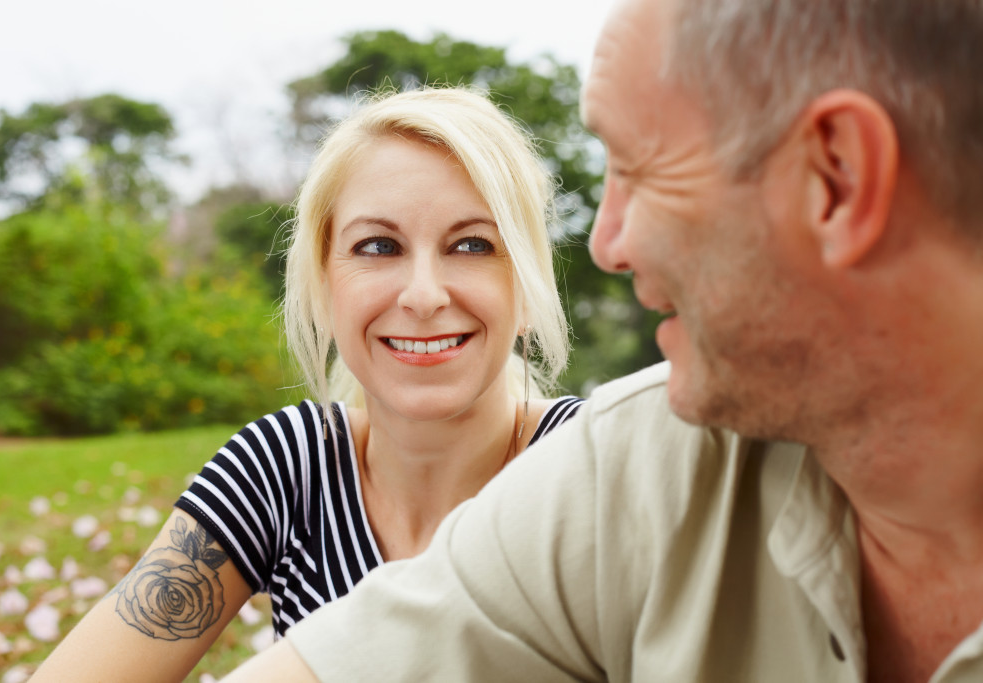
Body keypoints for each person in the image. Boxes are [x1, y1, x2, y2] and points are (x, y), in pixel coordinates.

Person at [218, 0, 983, 681]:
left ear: (839, 176)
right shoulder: (636, 470)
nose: (609, 241)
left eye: (638, 169)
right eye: (377, 247)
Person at [30, 87, 583, 681]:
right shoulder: (286, 467)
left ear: (526, 287)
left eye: (473, 244)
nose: (424, 296)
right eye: (378, 246)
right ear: (324, 287)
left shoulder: (585, 466)